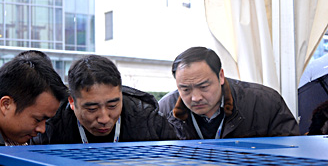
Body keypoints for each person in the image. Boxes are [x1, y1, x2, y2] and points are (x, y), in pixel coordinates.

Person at [159, 46, 299, 139]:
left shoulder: (264, 102)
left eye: (204, 87)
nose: (196, 98)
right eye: (185, 89)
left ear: (220, 76)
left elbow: (291, 151)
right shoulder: (163, 111)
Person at [32, 54, 176, 144]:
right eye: (92, 109)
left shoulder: (148, 120)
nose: (104, 118)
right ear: (72, 102)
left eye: (112, 106)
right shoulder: (50, 127)